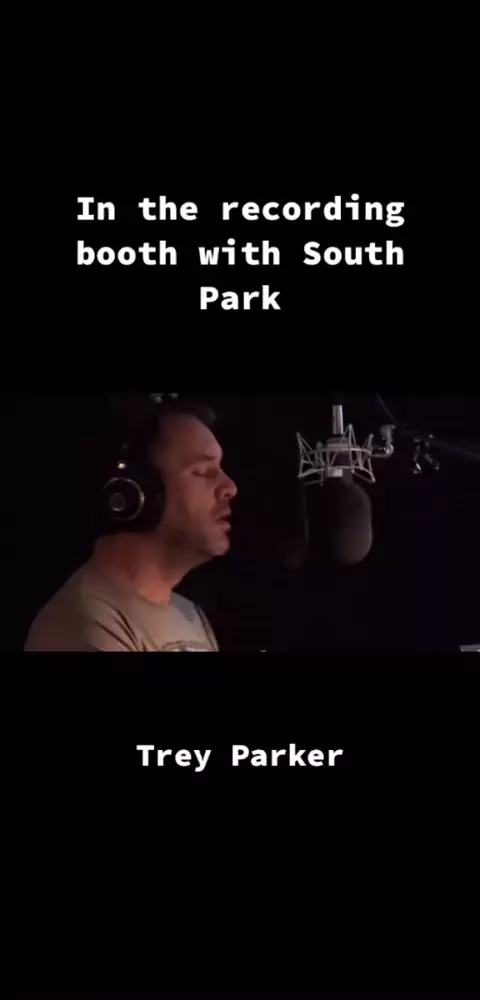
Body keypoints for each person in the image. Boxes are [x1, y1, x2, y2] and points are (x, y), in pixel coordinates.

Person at [24, 398, 237, 652]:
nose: (230, 488)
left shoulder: (191, 616)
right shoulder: (88, 624)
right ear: (135, 492)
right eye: (202, 471)